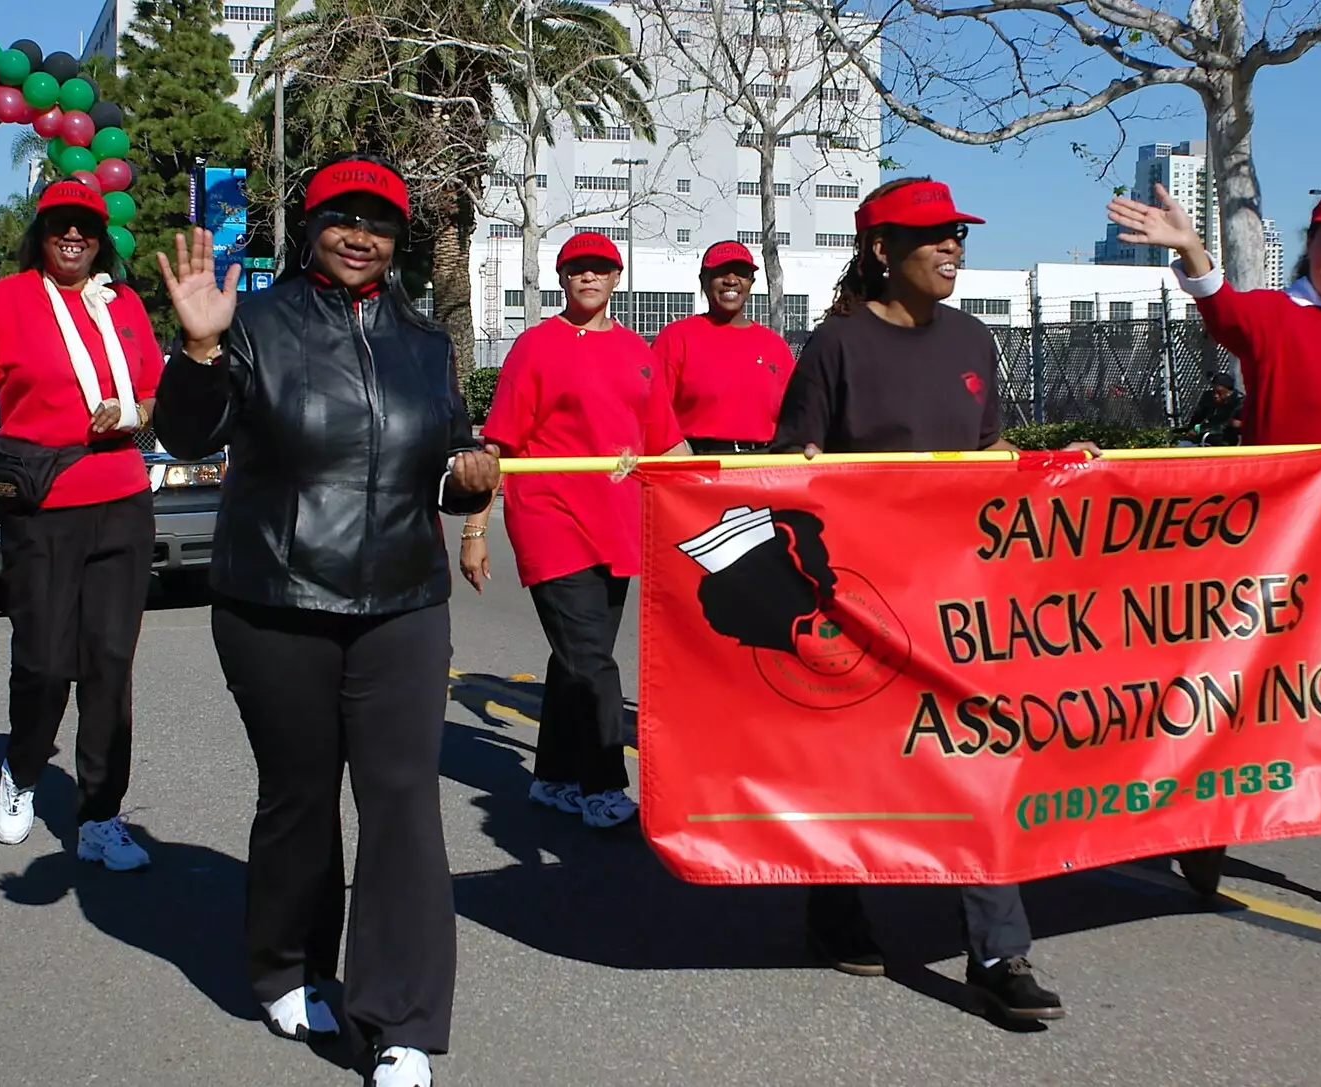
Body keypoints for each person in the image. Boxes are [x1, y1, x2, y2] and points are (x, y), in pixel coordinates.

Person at [153, 152, 498, 1086]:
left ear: (399, 240)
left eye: (380, 223)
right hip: (277, 599)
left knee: (401, 805)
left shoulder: (427, 343)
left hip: (402, 602)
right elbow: (185, 438)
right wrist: (197, 350)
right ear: (309, 227)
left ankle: (402, 1023)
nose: (361, 236)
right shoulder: (253, 322)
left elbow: (442, 445)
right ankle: (290, 965)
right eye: (342, 219)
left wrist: (469, 466)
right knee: (300, 795)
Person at [773, 177, 1083, 1021]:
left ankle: (999, 952)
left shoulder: (976, 341)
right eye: (934, 235)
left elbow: (989, 454)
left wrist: (1052, 470)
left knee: (983, 763)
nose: (953, 247)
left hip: (963, 604)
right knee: (862, 771)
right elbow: (791, 464)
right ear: (882, 251)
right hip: (864, 605)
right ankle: (834, 905)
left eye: (958, 234)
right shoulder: (834, 346)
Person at [1108, 185, 1321, 920]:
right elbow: (1223, 311)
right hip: (1293, 550)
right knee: (1255, 695)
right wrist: (1192, 248)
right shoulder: (1276, 316)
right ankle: (1206, 817)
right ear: (1313, 243)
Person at [0, 180, 162, 871]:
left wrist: (132, 415)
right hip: (44, 509)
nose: (73, 236)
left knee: (110, 666)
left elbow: (150, 395)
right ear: (42, 232)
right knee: (48, 663)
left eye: (85, 225)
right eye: (60, 225)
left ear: (100, 235)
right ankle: (21, 771)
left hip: (122, 500)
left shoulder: (124, 303)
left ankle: (101, 815)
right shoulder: (10, 299)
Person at [462, 231, 688, 829]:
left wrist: (718, 505)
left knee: (577, 658)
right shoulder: (535, 347)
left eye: (600, 269)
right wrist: (476, 529)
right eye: (576, 269)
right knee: (592, 659)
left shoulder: (639, 352)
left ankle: (553, 779)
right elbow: (500, 445)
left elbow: (668, 445)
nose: (589, 278)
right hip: (550, 517)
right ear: (561, 279)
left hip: (616, 523)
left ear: (617, 278)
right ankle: (603, 786)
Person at [653, 240, 796, 453]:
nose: (731, 280)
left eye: (740, 273)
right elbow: (653, 410)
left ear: (751, 282)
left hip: (763, 468)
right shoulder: (676, 338)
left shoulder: (774, 346)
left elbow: (798, 414)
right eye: (721, 273)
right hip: (700, 465)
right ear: (704, 280)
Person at [1179, 371, 1243, 446]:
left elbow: (1231, 423)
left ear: (1229, 392)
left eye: (1220, 392)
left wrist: (1202, 430)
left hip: (1225, 440)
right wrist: (1192, 429)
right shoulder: (1208, 397)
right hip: (1206, 436)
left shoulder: (1239, 402)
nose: (1215, 395)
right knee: (1183, 445)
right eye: (1214, 391)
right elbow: (1197, 418)